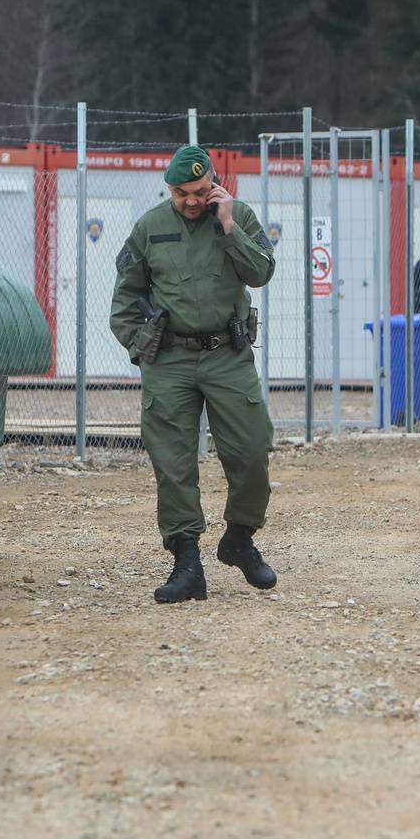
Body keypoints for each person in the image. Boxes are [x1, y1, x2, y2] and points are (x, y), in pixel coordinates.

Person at [109, 144, 278, 604]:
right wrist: (141, 348)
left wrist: (226, 226)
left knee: (250, 450)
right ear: (169, 189)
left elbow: (261, 271)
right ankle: (187, 563)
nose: (190, 200)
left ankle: (239, 539)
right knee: (174, 464)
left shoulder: (237, 216)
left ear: (215, 184)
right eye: (181, 192)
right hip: (170, 360)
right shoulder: (150, 227)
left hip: (228, 354)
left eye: (200, 191)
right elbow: (125, 299)